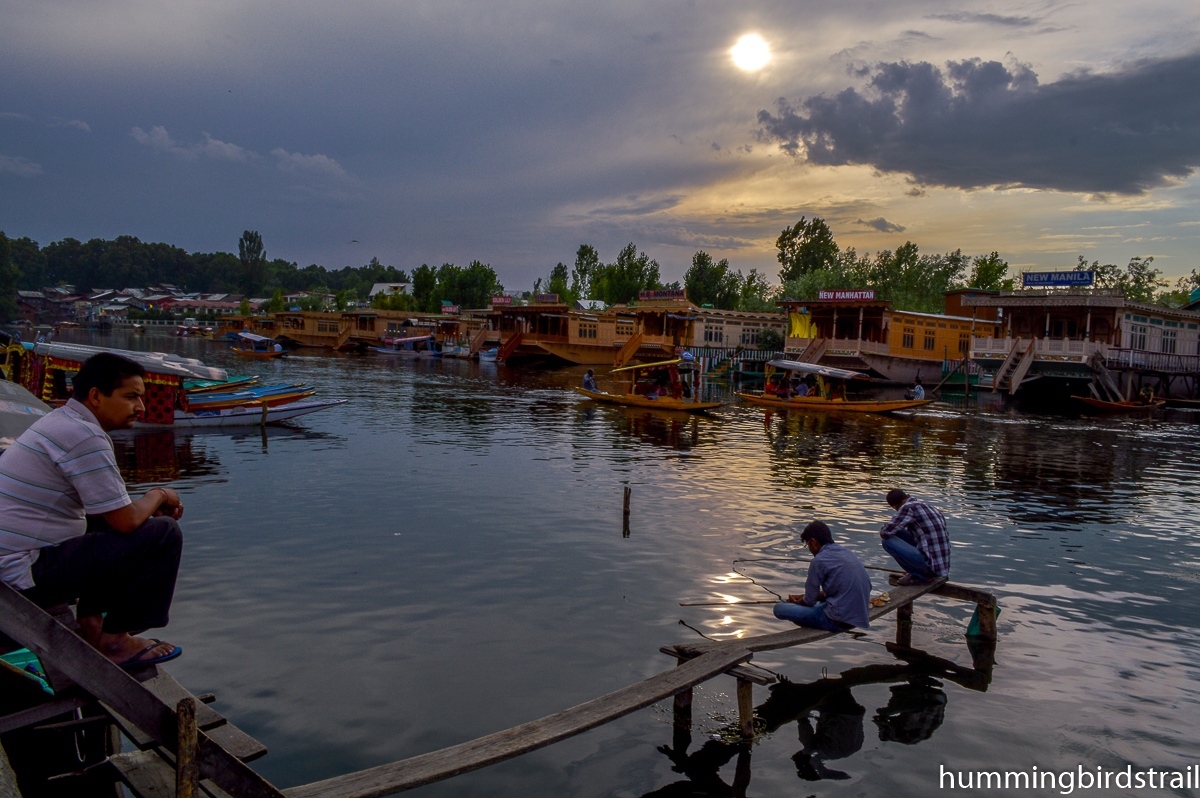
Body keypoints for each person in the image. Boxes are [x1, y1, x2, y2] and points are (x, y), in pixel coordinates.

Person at [0, 353, 185, 668]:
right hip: (19, 575)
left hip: (13, 563)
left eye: (141, 398)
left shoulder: (60, 421)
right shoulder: (84, 436)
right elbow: (127, 521)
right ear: (96, 396)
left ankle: (94, 625)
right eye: (131, 397)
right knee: (162, 534)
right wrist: (160, 494)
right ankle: (115, 641)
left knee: (109, 526)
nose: (140, 407)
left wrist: (144, 506)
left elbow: (114, 513)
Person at [774, 521, 871, 632]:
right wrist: (802, 596)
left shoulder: (819, 560)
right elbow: (839, 590)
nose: (809, 549)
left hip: (837, 621)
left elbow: (810, 601)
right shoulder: (847, 552)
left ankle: (811, 620)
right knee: (820, 603)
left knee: (779, 608)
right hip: (859, 617)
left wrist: (796, 603)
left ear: (814, 542)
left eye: (808, 545)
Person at [879, 489, 949, 585]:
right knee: (898, 531)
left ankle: (921, 575)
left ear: (894, 506)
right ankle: (920, 572)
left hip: (931, 568)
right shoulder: (928, 506)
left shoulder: (908, 507)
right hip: (941, 566)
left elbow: (885, 533)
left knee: (887, 542)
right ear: (908, 495)